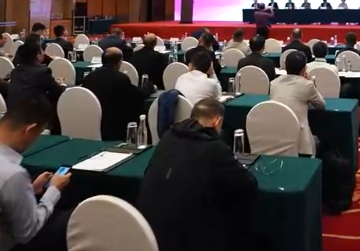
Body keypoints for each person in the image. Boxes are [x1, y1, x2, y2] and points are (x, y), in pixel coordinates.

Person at [137, 98, 257, 251]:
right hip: (187, 238)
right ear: (217, 122)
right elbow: (248, 184)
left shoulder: (168, 136)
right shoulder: (215, 148)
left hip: (147, 232)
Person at [0, 97, 72, 251]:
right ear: (29, 131)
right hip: (4, 245)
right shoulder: (13, 174)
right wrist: (54, 190)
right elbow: (28, 232)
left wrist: (30, 189)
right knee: (73, 216)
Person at [83, 48, 154, 140]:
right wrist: (150, 87)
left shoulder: (89, 77)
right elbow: (138, 95)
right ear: (119, 62)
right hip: (114, 125)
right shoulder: (120, 78)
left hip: (92, 122)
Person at [270, 51, 325, 156]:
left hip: (275, 134)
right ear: (304, 69)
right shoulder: (307, 85)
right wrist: (309, 81)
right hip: (299, 138)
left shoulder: (274, 84)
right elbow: (321, 105)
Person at [7, 39, 64, 113]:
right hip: (34, 114)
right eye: (42, 50)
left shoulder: (15, 72)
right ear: (38, 55)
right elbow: (58, 91)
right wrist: (62, 84)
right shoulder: (43, 72)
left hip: (13, 113)